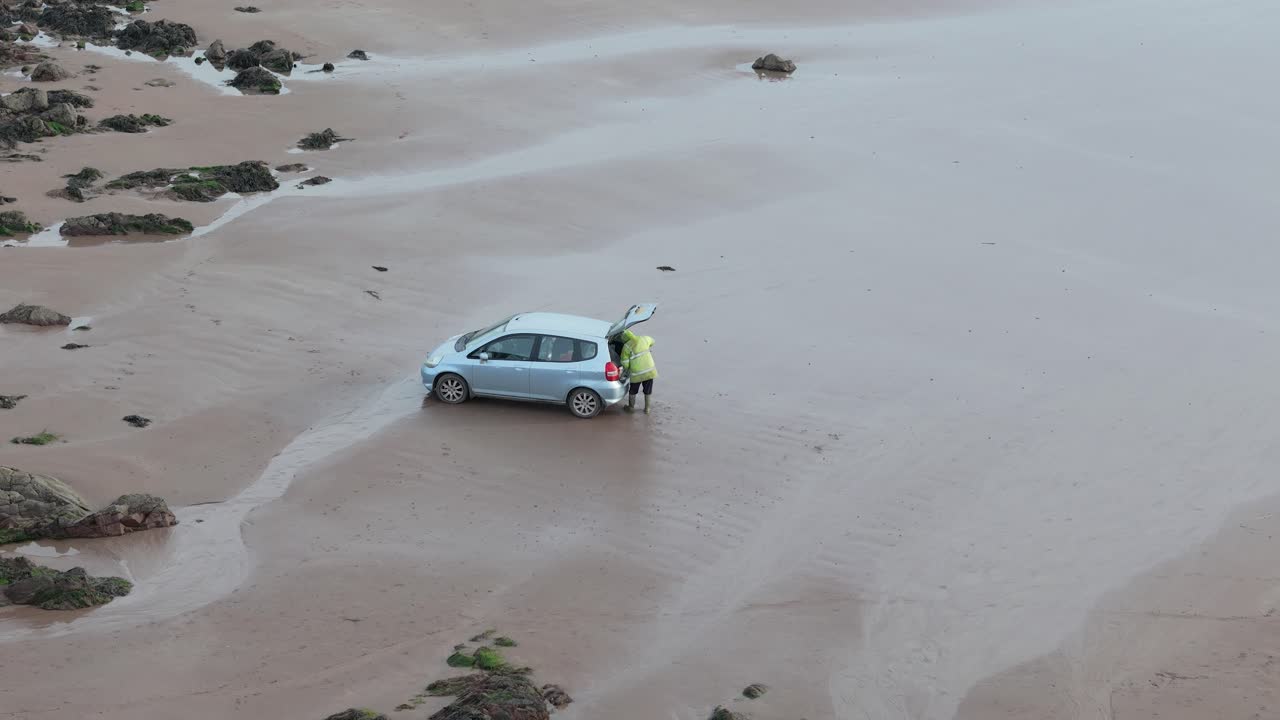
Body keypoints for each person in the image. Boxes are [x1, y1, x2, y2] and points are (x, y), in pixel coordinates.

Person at [620, 328, 658, 414]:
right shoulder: (643, 338)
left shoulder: (626, 346)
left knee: (633, 390)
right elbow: (653, 341)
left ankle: (631, 408)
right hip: (649, 371)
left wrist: (626, 370)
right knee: (648, 390)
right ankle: (647, 409)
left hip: (636, 373)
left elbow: (625, 363)